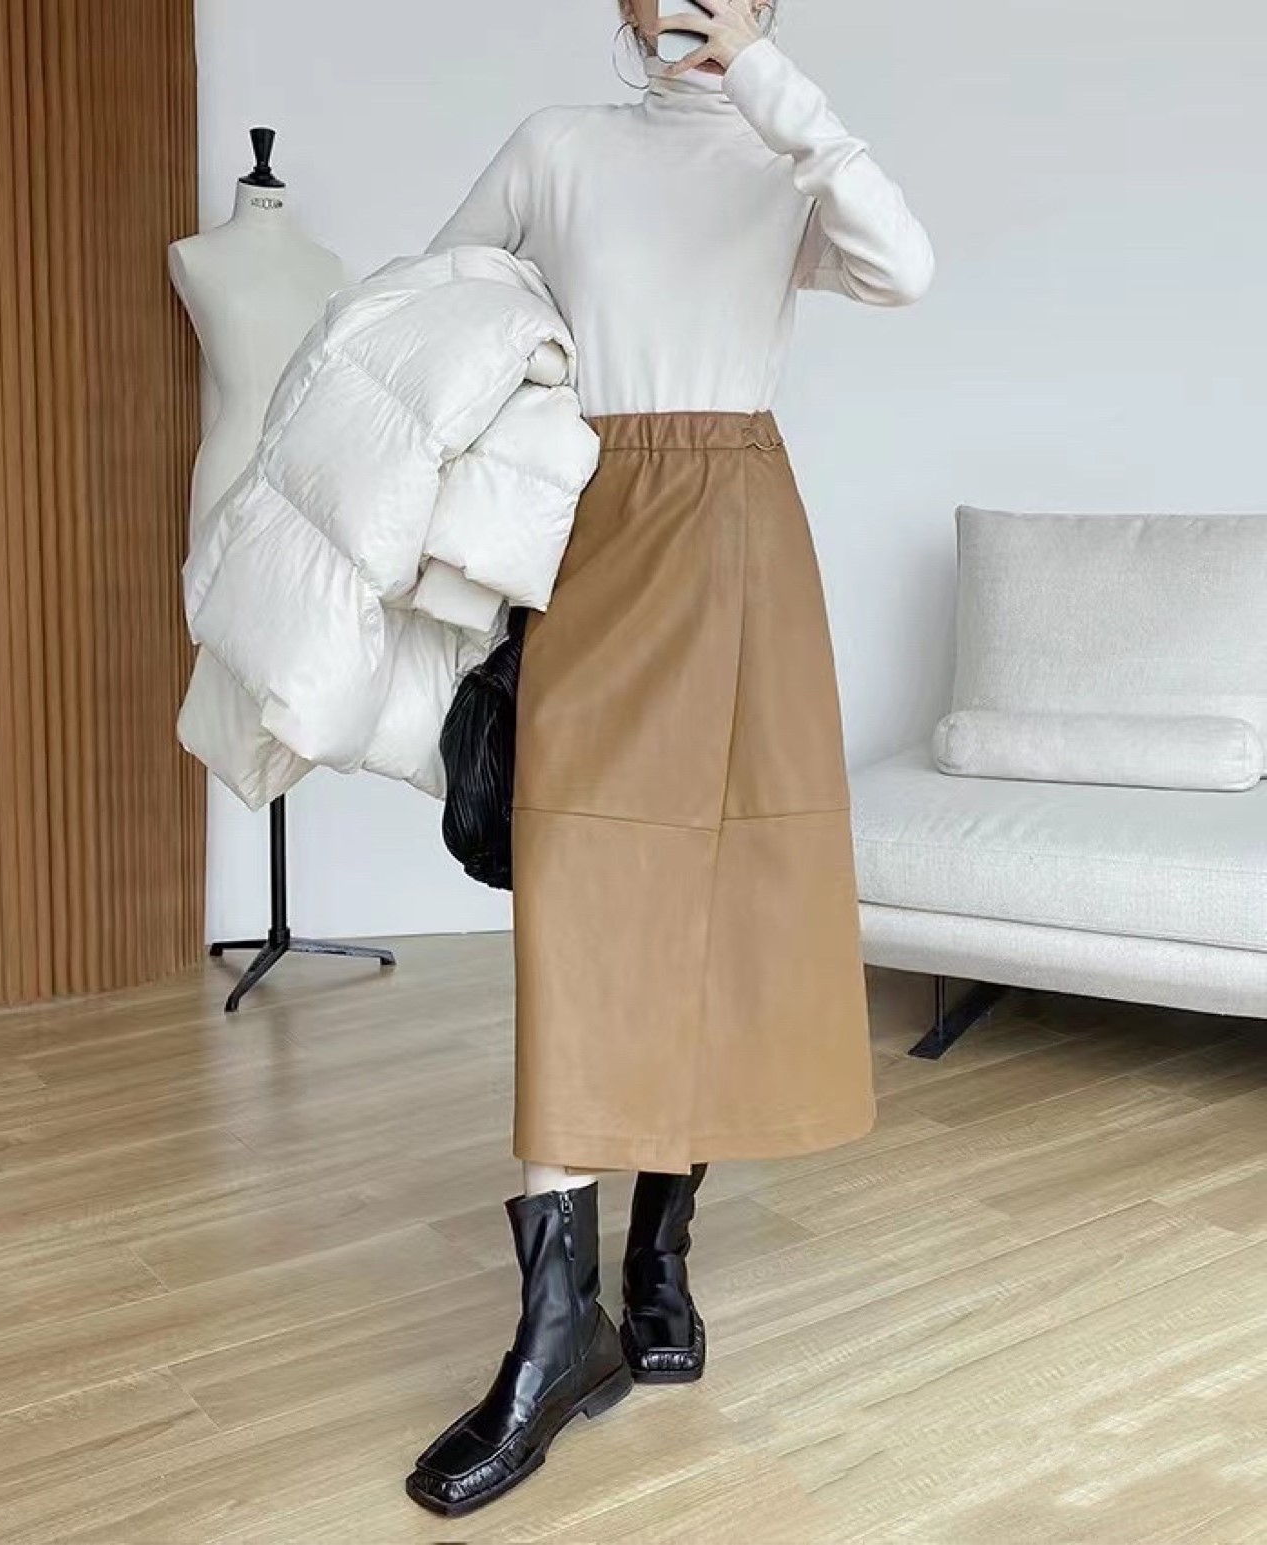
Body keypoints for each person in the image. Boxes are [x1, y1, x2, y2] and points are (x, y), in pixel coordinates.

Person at [405, 0, 934, 1518]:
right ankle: (557, 1327)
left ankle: (659, 1255)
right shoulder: (558, 149)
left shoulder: (784, 153)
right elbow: (439, 312)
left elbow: (905, 263)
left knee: (709, 904)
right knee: (584, 904)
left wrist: (765, 77)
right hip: (595, 528)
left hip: (741, 535)